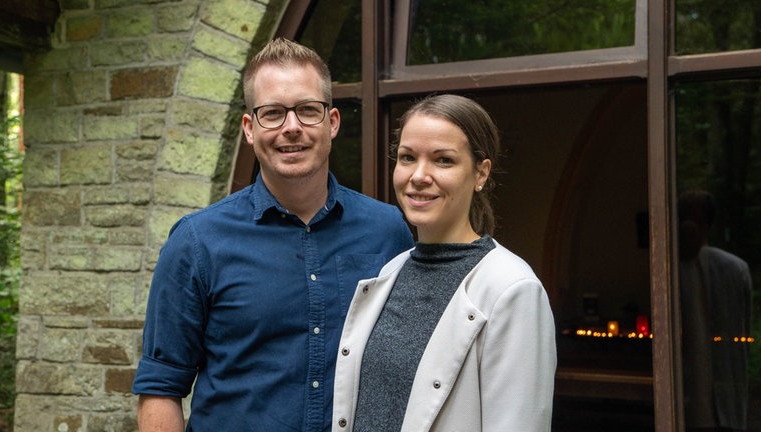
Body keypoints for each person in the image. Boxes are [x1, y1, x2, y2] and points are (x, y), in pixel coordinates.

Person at [132, 38, 414, 432]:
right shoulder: (197, 242)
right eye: (273, 113)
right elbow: (161, 387)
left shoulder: (388, 233)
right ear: (250, 128)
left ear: (331, 122)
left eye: (307, 110)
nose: (292, 127)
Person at [332, 94, 557, 431]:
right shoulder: (390, 273)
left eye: (443, 160)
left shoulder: (513, 290)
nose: (419, 175)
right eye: (408, 157)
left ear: (480, 173)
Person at [678, 189, 752, 432]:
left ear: (706, 224)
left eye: (694, 219)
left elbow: (743, 333)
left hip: (723, 399)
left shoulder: (733, 270)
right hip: (686, 404)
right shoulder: (668, 273)